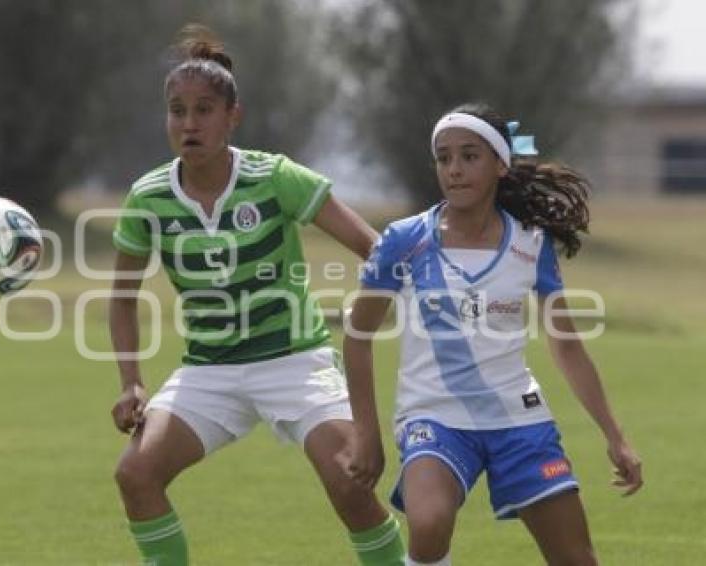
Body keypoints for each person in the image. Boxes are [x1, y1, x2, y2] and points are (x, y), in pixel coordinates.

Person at [108, 25, 405, 565]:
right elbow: (121, 296)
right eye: (177, 111)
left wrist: (415, 294)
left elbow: (375, 248)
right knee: (135, 474)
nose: (188, 123)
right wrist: (131, 381)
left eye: (203, 110)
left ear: (232, 117)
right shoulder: (148, 197)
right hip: (208, 371)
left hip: (294, 361)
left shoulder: (275, 177)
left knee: (350, 483)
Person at [341, 103, 643, 566]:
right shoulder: (404, 239)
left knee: (577, 559)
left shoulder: (532, 242)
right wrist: (367, 432)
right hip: (434, 418)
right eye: (444, 158)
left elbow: (566, 345)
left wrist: (615, 436)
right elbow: (358, 334)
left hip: (519, 420)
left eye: (469, 156)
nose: (454, 170)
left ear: (501, 163)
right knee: (428, 523)